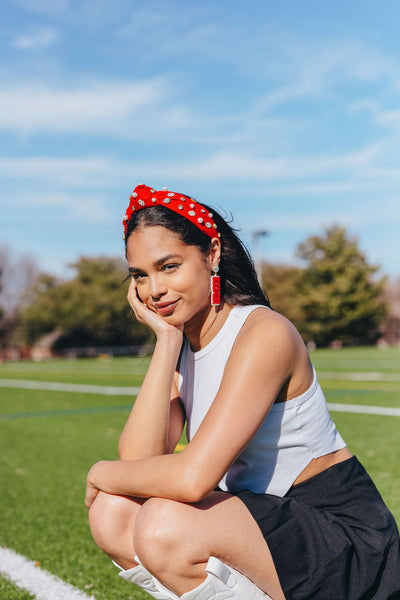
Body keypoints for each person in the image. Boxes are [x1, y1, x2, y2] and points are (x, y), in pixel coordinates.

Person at [85, 183, 400, 600]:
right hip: (264, 519)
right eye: (140, 275)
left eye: (169, 266)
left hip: (339, 534)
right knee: (113, 513)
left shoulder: (262, 332)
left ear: (211, 255)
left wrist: (98, 472)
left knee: (164, 525)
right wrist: (166, 342)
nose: (154, 289)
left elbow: (193, 478)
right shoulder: (185, 345)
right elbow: (140, 464)